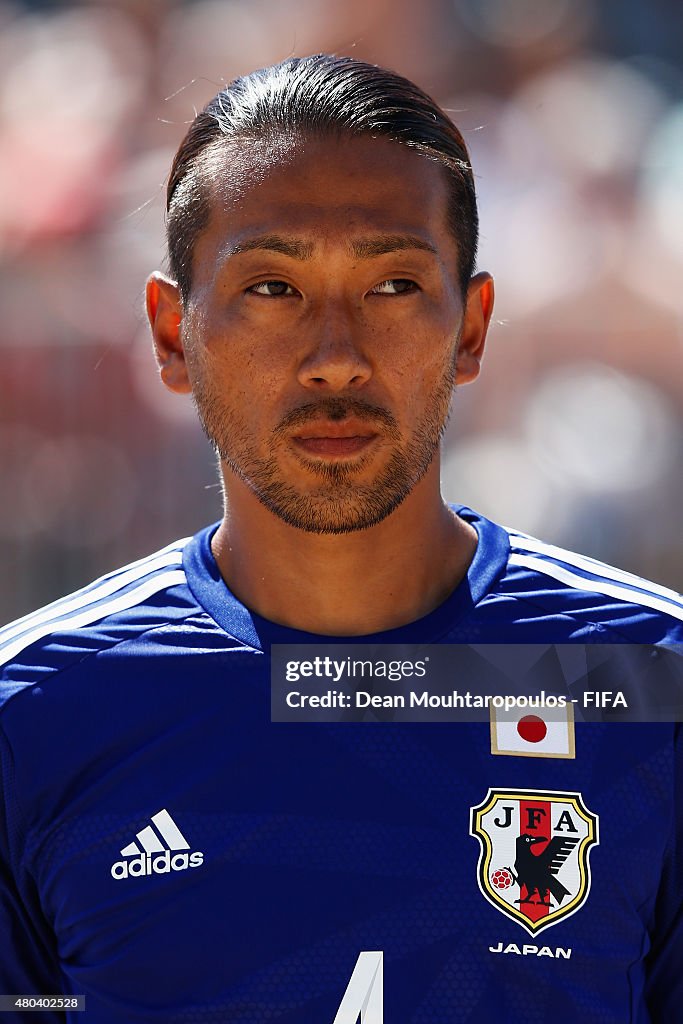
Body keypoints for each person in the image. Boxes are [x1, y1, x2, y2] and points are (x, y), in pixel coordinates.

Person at [0, 55, 681, 1024]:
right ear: (170, 333)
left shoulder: (646, 678)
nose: (333, 358)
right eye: (272, 288)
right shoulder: (31, 713)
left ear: (471, 327)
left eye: (393, 283)